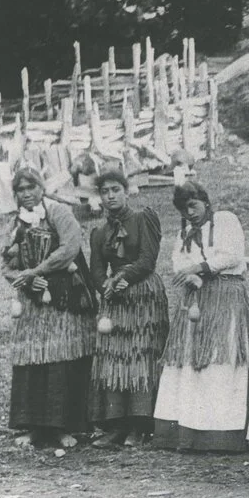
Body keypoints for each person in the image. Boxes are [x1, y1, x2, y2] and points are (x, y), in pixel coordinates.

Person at [153, 181, 249, 452]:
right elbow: (177, 260)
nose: (190, 213)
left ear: (205, 201)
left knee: (220, 357)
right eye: (185, 209)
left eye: (194, 205)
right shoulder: (185, 231)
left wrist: (201, 267)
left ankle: (219, 434)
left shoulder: (225, 220)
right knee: (191, 359)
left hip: (224, 294)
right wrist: (191, 275)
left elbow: (232, 255)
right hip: (195, 297)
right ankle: (187, 432)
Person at [1, 166, 98, 448]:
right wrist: (25, 281)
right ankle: (33, 428)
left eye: (32, 187)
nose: (27, 194)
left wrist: (37, 271)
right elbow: (6, 265)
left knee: (60, 356)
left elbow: (69, 248)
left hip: (64, 297)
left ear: (42, 188)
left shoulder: (58, 213)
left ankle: (63, 428)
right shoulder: (17, 224)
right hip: (33, 301)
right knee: (32, 358)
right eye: (21, 189)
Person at [87, 169, 169, 448]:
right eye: (105, 192)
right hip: (115, 302)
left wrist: (124, 278)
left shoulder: (143, 218)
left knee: (140, 357)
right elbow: (96, 271)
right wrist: (106, 287)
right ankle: (115, 426)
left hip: (143, 295)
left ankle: (140, 426)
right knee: (113, 360)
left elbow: (148, 259)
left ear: (126, 191)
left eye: (115, 190)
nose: (110, 196)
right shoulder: (99, 233)